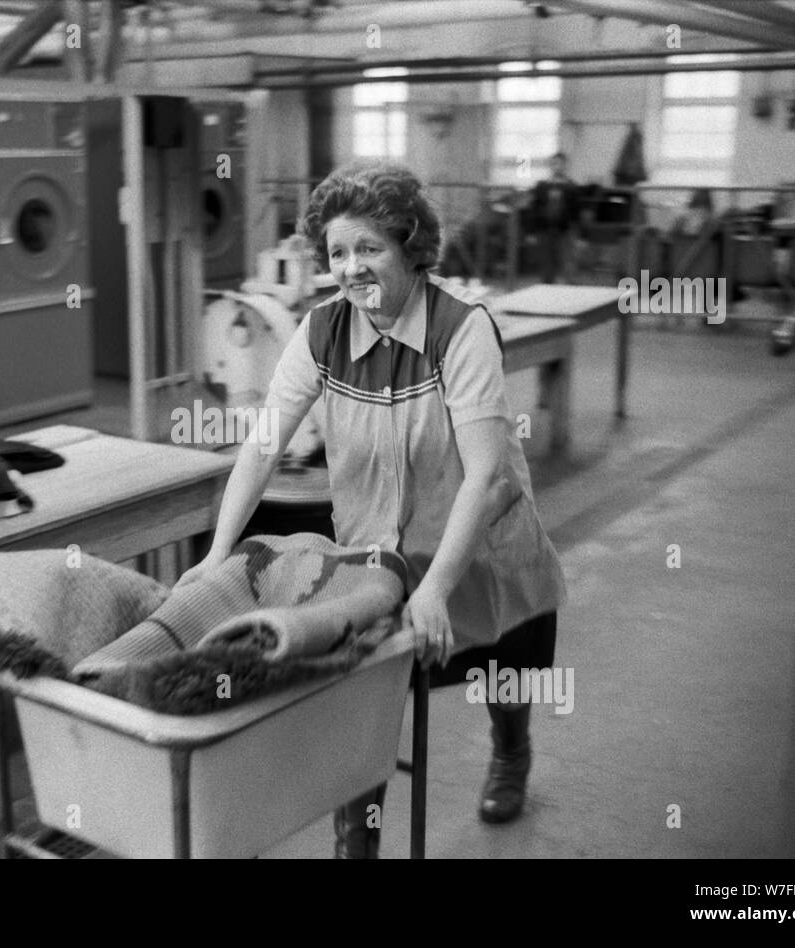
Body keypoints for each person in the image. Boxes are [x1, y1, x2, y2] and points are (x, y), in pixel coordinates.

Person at [178, 161, 566, 858]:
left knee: (507, 658)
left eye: (368, 248)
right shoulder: (323, 332)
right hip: (378, 553)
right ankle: (356, 843)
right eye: (336, 253)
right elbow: (264, 445)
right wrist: (213, 557)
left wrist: (440, 587)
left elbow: (483, 470)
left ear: (409, 247)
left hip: (480, 537)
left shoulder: (460, 330)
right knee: (366, 695)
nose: (351, 268)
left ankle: (511, 752)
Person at [529, 151, 579, 283]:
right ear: (551, 165)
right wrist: (533, 230)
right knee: (546, 262)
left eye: (561, 164)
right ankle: (547, 287)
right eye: (555, 164)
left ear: (566, 165)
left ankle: (570, 289)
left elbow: (575, 211)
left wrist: (577, 231)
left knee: (567, 261)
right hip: (545, 229)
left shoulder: (572, 187)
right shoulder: (542, 186)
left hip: (565, 230)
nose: (558, 167)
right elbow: (535, 208)